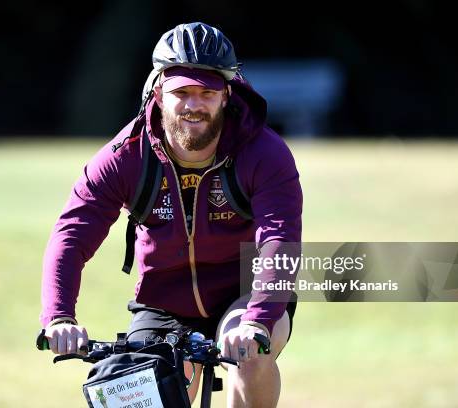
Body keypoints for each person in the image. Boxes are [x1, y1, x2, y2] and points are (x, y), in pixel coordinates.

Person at [40, 22, 302, 407]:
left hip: (245, 292)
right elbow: (72, 235)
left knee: (252, 356)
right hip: (162, 300)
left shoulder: (264, 153)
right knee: (138, 390)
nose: (194, 104)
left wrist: (258, 319)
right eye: (182, 92)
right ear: (159, 93)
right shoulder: (126, 156)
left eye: (207, 92)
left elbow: (278, 240)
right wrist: (59, 316)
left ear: (226, 95)